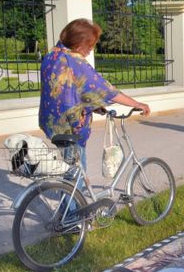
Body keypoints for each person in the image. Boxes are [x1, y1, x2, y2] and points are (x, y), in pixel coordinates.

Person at [39, 18, 150, 169]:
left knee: (69, 168)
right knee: (77, 173)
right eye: (90, 46)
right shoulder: (74, 60)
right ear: (80, 43)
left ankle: (68, 190)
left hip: (52, 122)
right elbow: (104, 89)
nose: (91, 50)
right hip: (70, 127)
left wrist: (92, 105)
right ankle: (73, 192)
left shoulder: (52, 55)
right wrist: (137, 104)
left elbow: (68, 90)